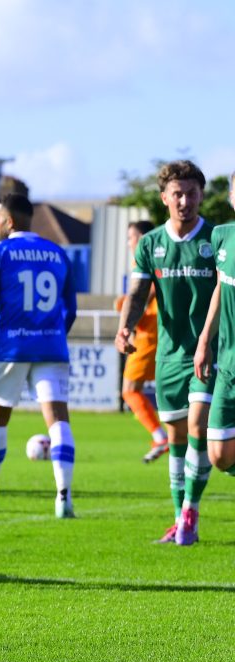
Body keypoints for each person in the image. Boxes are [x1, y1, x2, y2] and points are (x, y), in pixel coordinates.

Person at [0, 193, 78, 519]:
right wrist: (53, 335)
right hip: (52, 346)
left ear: (9, 221)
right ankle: (64, 498)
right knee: (58, 418)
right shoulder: (58, 254)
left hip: (11, 346)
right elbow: (71, 309)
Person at [116, 160, 215, 546]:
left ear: (201, 195)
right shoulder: (151, 244)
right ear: (164, 198)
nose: (185, 201)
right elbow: (139, 293)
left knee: (196, 430)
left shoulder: (217, 239)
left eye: (191, 193)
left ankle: (190, 510)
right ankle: (178, 517)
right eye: (177, 194)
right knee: (175, 440)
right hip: (169, 357)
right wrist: (125, 326)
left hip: (210, 354)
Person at [195, 172, 235, 492]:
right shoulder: (221, 235)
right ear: (231, 197)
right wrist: (204, 338)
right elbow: (221, 287)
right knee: (219, 455)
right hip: (228, 362)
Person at [115, 221, 168, 463]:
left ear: (143, 238)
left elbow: (145, 294)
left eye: (131, 237)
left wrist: (124, 304)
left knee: (130, 390)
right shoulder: (160, 255)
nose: (129, 242)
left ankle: (162, 437)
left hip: (150, 333)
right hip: (157, 330)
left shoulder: (148, 258)